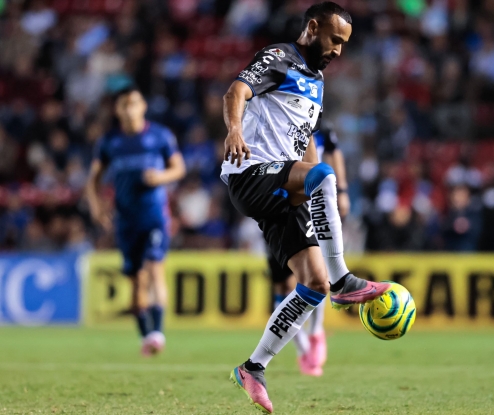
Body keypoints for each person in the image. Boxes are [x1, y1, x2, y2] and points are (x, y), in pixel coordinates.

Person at [221, 3, 390, 413]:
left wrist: (314, 173)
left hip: (284, 184)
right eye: (334, 39)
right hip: (253, 172)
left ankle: (253, 367)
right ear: (313, 28)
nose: (338, 50)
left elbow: (306, 137)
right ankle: (345, 279)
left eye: (344, 44)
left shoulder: (316, 79)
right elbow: (236, 91)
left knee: (313, 284)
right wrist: (235, 130)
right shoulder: (280, 57)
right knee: (325, 177)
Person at [85, 87, 186, 356]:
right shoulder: (109, 142)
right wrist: (96, 206)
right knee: (136, 281)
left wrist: (161, 177)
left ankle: (158, 333)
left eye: (134, 103)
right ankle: (146, 335)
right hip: (126, 220)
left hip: (154, 215)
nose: (129, 109)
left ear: (143, 107)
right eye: (124, 105)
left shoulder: (159, 136)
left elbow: (178, 168)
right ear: (117, 110)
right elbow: (93, 179)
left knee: (155, 268)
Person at [268, 123, 350, 377]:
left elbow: (334, 152)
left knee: (316, 275)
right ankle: (303, 347)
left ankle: (315, 335)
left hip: (308, 205)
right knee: (283, 286)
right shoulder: (273, 122)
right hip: (275, 206)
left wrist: (343, 191)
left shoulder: (318, 125)